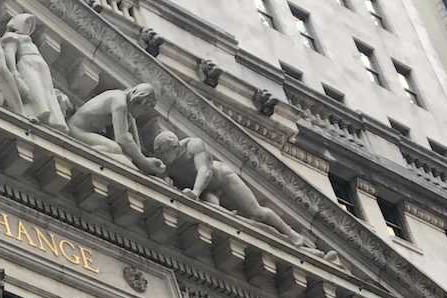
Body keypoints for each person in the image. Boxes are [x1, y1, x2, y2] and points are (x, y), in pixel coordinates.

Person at [151, 130, 311, 246]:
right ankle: (237, 220)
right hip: (207, 192)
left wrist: (195, 192)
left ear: (174, 146)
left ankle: (291, 234)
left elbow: (204, 171)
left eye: (164, 154)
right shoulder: (169, 163)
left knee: (257, 212)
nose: (164, 158)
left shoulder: (193, 145)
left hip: (223, 179)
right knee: (216, 215)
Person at [67, 83, 164, 175]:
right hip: (76, 130)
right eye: (144, 109)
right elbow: (122, 138)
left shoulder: (126, 106)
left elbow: (131, 141)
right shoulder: (119, 102)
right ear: (136, 99)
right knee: (114, 148)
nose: (141, 113)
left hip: (87, 132)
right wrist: (145, 162)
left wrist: (142, 161)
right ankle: (83, 154)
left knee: (122, 154)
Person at [0, 14, 65, 127]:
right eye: (26, 23)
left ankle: (54, 120)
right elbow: (9, 52)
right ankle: (34, 112)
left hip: (40, 65)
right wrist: (13, 70)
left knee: (47, 91)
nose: (28, 26)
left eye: (30, 24)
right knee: (34, 89)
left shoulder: (28, 40)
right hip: (27, 62)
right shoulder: (12, 36)